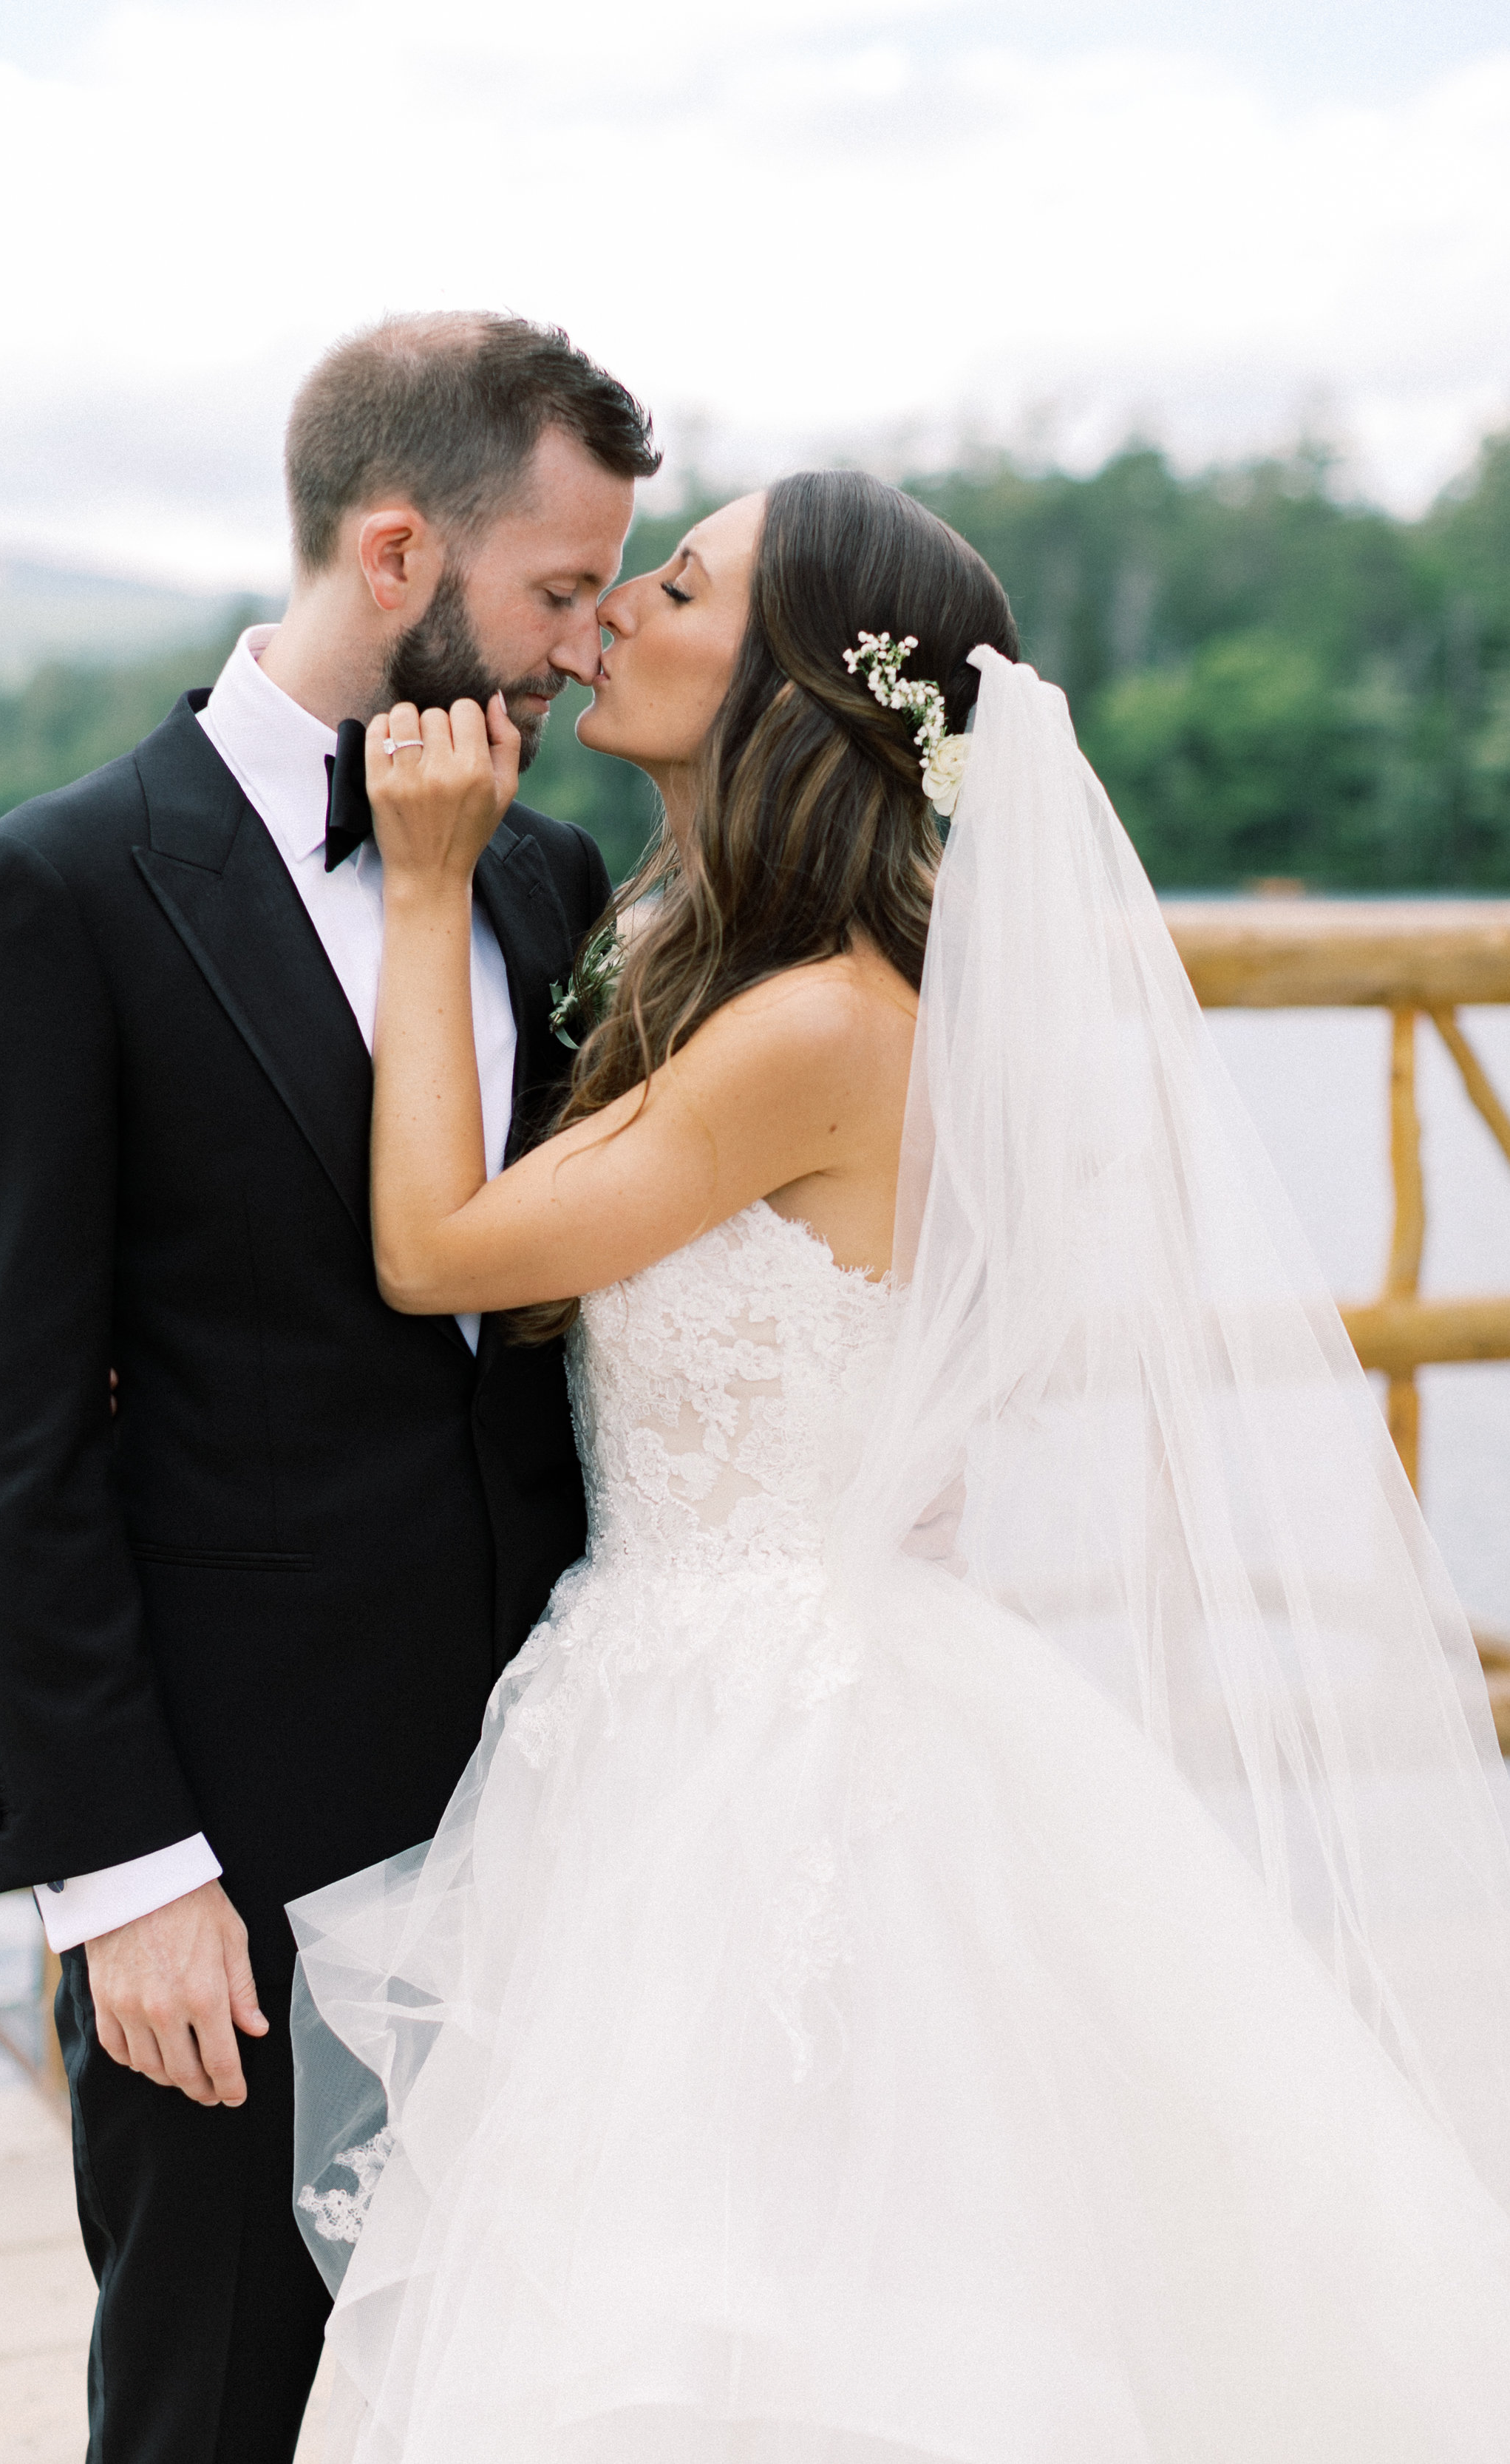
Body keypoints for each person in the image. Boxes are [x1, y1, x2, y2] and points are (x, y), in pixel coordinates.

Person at [288, 471, 1510, 2461]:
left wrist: (427, 892)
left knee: (776, 2307)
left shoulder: (818, 1030)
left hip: (760, 1742)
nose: (614, 617)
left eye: (674, 589)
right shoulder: (762, 976)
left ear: (788, 689)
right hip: (726, 1686)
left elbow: (436, 1249)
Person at [0, 311, 660, 2463]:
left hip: (554, 1792)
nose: (583, 647)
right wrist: (120, 1868)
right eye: (556, 591)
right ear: (399, 550)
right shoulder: (50, 893)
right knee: (221, 2392)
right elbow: (6, 1429)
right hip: (229, 1839)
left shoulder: (538, 876)